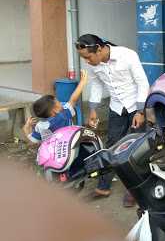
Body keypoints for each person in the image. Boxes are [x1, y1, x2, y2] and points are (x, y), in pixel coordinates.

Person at [75, 34, 149, 207]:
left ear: (99, 49)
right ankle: (103, 186)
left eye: (88, 57)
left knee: (136, 148)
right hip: (116, 107)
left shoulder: (127, 55)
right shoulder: (95, 64)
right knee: (111, 146)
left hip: (134, 106)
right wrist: (93, 109)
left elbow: (142, 83)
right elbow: (97, 85)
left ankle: (134, 190)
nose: (87, 61)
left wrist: (140, 111)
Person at [23, 69, 88, 144]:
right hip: (69, 145)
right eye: (58, 102)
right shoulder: (63, 115)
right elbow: (73, 99)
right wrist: (83, 82)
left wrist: (26, 128)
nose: (61, 103)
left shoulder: (39, 126)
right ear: (55, 111)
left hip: (51, 152)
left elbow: (33, 141)